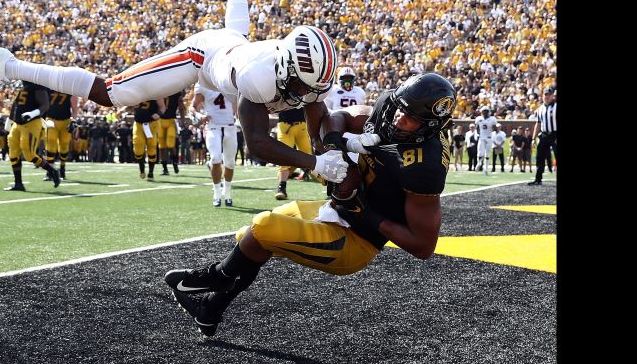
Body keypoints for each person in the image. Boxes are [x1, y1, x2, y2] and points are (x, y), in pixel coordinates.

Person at [0, 0, 348, 185]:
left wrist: (331, 147)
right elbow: (260, 144)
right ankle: (11, 66)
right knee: (112, 93)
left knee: (237, 33)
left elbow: (316, 109)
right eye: (301, 85)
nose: (308, 92)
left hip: (233, 48)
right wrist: (315, 162)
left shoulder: (308, 76)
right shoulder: (259, 79)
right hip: (203, 56)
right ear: (285, 70)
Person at [164, 73, 456, 337]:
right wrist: (334, 143)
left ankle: (216, 277)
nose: (397, 119)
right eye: (398, 109)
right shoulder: (389, 110)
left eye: (409, 118)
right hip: (337, 209)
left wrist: (364, 212)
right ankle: (210, 310)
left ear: (429, 127)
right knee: (249, 239)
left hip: (357, 240)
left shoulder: (423, 166)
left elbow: (423, 246)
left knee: (263, 227)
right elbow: (340, 115)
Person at [4, 81, 61, 191]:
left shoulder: (38, 87)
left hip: (31, 123)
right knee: (13, 153)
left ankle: (52, 171)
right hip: (17, 123)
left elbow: (45, 105)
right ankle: (18, 183)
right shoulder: (23, 87)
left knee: (29, 154)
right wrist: (10, 119)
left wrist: (32, 113)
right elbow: (16, 104)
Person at [192, 83, 237, 207]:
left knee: (230, 162)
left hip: (230, 126)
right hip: (213, 126)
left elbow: (238, 103)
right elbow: (193, 107)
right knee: (215, 158)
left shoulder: (230, 82)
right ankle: (216, 193)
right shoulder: (203, 84)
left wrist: (238, 116)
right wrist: (200, 115)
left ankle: (227, 192)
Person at [273, 108, 313, 200]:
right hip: (285, 126)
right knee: (284, 158)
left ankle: (328, 184)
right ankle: (281, 188)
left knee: (309, 158)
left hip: (302, 126)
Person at [43, 91, 78, 180]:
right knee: (50, 143)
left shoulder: (70, 89)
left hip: (65, 121)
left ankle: (62, 169)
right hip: (51, 119)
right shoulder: (48, 87)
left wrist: (74, 120)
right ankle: (50, 171)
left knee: (64, 145)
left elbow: (74, 108)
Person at [528, 87, 557, 185]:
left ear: (553, 95)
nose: (547, 96)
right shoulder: (540, 109)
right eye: (546, 94)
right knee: (539, 157)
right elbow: (538, 124)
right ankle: (538, 179)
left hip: (555, 134)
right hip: (544, 135)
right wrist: (533, 138)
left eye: (549, 94)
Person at [132, 99, 166, 181]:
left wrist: (159, 114)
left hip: (152, 123)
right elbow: (128, 102)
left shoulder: (155, 91)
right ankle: (141, 167)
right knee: (138, 145)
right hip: (138, 123)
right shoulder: (135, 90)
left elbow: (162, 107)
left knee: (152, 147)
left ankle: (151, 172)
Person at [159, 91, 187, 175]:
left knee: (170, 144)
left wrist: (182, 120)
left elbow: (181, 107)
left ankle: (175, 163)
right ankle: (164, 168)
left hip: (171, 120)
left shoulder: (176, 91)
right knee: (161, 146)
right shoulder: (158, 89)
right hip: (160, 120)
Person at [474, 106, 497, 175]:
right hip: (482, 137)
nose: (485, 113)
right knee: (480, 152)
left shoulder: (492, 119)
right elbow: (477, 128)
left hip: (489, 137)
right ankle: (479, 163)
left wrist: (493, 127)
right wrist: (477, 134)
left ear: (488, 112)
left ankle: (486, 168)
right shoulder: (479, 119)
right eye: (484, 111)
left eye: (486, 111)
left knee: (487, 154)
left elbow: (495, 129)